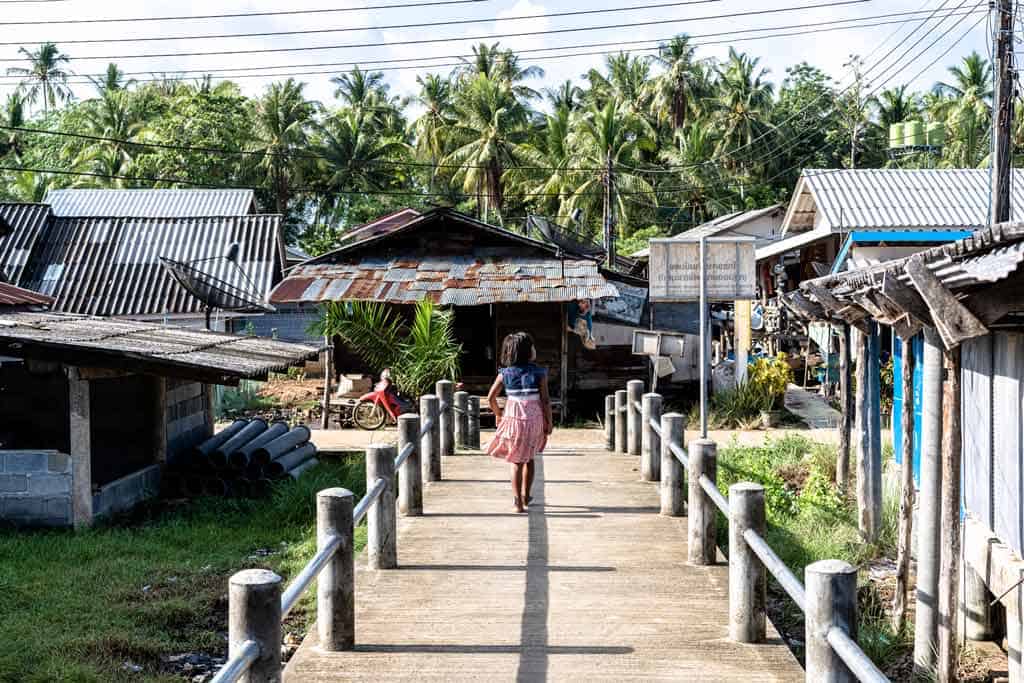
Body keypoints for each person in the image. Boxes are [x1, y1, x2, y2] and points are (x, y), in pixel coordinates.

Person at [486, 332, 553, 513]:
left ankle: (517, 502)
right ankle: (526, 495)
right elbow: (545, 401)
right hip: (534, 421)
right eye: (532, 347)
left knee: (516, 461)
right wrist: (549, 421)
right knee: (530, 458)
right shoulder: (539, 373)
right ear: (527, 352)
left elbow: (491, 397)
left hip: (514, 421)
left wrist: (498, 414)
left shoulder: (504, 374)